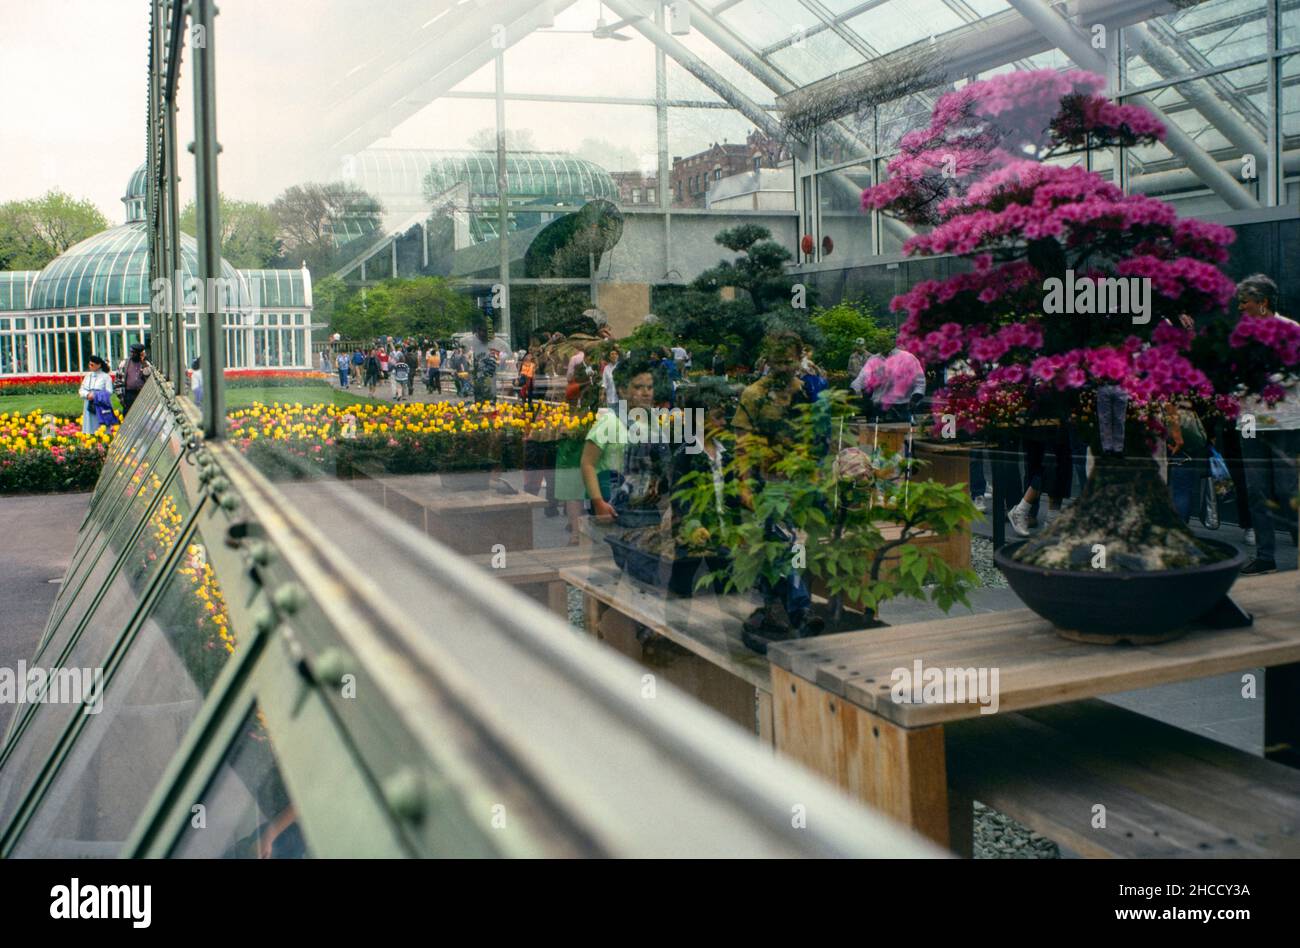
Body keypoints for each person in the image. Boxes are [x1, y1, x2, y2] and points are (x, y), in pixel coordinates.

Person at [733, 332, 817, 652]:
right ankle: (793, 607)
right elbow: (742, 441)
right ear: (768, 359)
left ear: (799, 358)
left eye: (789, 360)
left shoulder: (804, 391)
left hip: (799, 482)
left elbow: (812, 436)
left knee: (795, 544)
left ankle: (791, 606)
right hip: (767, 482)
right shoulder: (754, 395)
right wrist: (743, 483)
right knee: (780, 544)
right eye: (778, 360)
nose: (784, 366)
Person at [1234, 274, 1300, 574]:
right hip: (1250, 420)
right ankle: (1265, 556)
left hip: (1285, 421)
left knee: (1287, 490)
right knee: (1256, 490)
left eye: (1245, 301)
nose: (1240, 307)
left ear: (1262, 302)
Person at [78, 355, 116, 434]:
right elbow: (81, 389)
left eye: (92, 365)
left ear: (98, 365)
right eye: (89, 364)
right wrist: (87, 395)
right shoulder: (88, 376)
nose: (90, 366)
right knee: (89, 426)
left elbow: (109, 391)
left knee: (101, 426)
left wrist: (96, 395)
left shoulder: (106, 377)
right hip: (89, 403)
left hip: (101, 404)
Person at [116, 342, 151, 413]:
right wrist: (121, 398)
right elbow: (118, 382)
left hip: (142, 394)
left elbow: (149, 377)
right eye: (131, 352)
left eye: (134, 353)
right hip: (128, 395)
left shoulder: (146, 364)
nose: (131, 354)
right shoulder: (124, 364)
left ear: (140, 354)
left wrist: (143, 361)